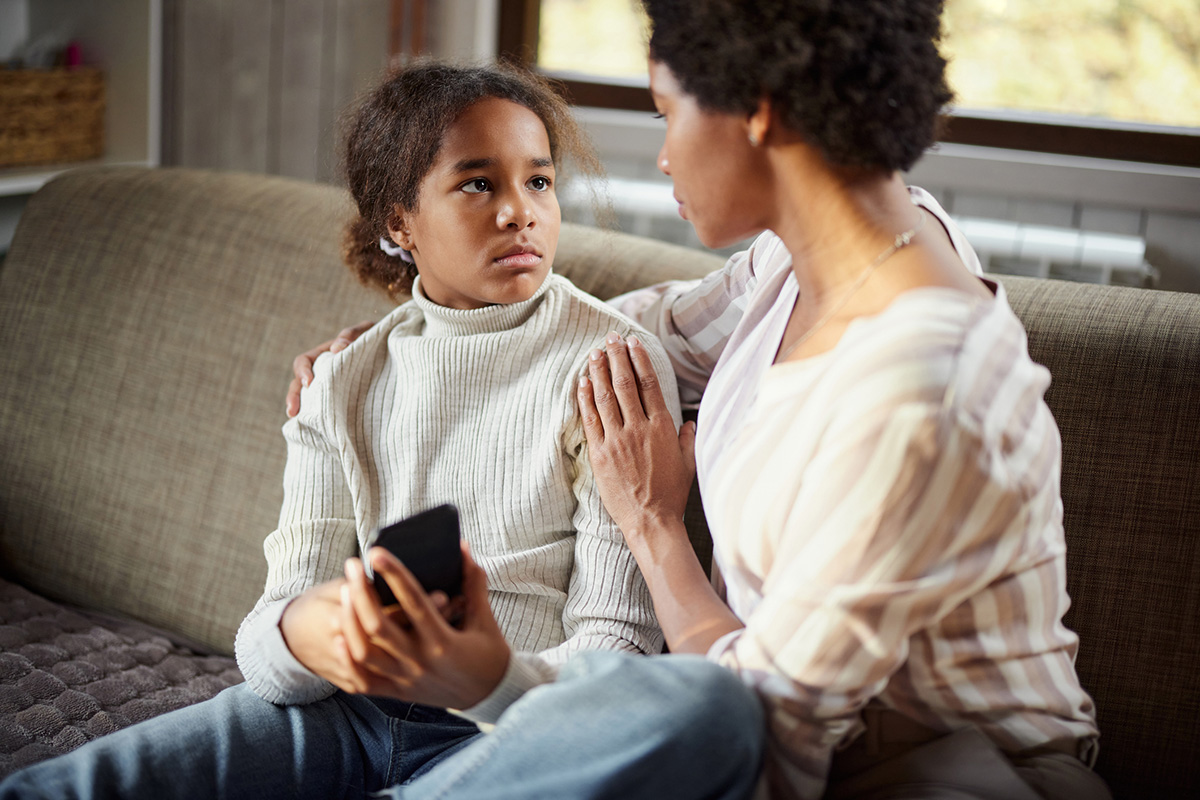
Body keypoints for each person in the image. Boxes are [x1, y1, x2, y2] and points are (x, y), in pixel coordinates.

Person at [291, 2, 1112, 799]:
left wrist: (653, 529)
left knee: (689, 711)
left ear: (755, 109)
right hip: (760, 727)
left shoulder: (924, 394)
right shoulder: (803, 265)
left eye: (665, 112)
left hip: (923, 770)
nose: (662, 157)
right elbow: (623, 334)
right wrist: (422, 335)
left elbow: (764, 728)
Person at [0, 61, 764, 800]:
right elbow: (266, 649)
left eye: (538, 181)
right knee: (74, 785)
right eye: (477, 182)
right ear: (400, 220)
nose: (520, 211)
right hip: (347, 710)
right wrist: (310, 631)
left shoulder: (610, 367)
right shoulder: (343, 379)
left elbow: (616, 650)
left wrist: (480, 675)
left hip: (510, 725)